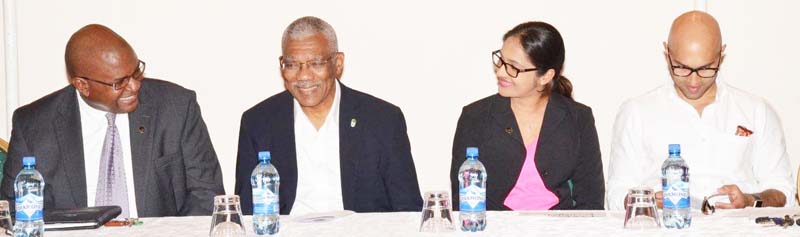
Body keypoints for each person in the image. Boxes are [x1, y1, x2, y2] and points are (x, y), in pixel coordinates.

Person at [0, 24, 225, 217]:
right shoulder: (33, 125)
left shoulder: (176, 107)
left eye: (136, 72)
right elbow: (13, 210)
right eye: (120, 82)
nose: (135, 85)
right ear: (82, 85)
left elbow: (206, 194)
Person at [606, 11, 795, 210]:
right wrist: (647, 201)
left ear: (721, 55)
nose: (693, 81)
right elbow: (616, 195)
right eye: (681, 67)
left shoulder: (756, 111)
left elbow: (784, 192)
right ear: (667, 53)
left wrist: (749, 200)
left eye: (706, 68)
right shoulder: (636, 112)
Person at [234, 16, 423, 215]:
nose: (304, 76)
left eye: (315, 63)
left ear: (338, 63)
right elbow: (246, 214)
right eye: (292, 64)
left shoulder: (382, 120)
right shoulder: (258, 123)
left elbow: (408, 209)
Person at [450, 21, 604, 211]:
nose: (500, 71)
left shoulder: (579, 118)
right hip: (495, 226)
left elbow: (591, 199)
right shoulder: (475, 116)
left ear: (545, 76)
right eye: (500, 60)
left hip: (559, 227)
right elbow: (462, 197)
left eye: (513, 67)